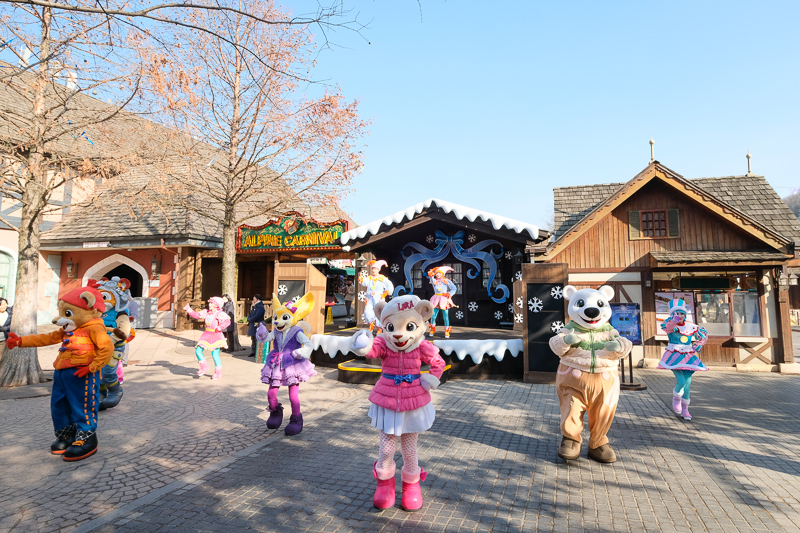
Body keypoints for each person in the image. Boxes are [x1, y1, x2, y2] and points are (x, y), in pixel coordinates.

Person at [349, 295, 446, 511]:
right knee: (386, 448)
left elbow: (438, 362)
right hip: (388, 400)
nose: (399, 334)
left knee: (410, 450)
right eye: (391, 327)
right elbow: (372, 350)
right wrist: (362, 344)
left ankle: (412, 486)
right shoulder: (384, 343)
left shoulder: (422, 345)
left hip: (414, 400)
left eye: (409, 326)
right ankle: (384, 484)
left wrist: (430, 379)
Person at [261, 292, 317, 436]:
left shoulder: (297, 332)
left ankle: (296, 419)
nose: (277, 321)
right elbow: (267, 338)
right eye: (276, 318)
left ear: (292, 318)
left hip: (292, 364)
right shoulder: (277, 331)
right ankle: (275, 412)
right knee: (271, 393)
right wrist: (261, 334)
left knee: (293, 395)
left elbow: (308, 344)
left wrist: (300, 353)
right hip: (276, 364)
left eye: (283, 318)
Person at [657, 298, 708, 421]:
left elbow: (703, 335)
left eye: (681, 313)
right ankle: (676, 397)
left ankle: (685, 410)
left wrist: (698, 345)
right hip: (674, 356)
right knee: (681, 381)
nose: (679, 316)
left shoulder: (690, 326)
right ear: (672, 314)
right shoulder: (670, 324)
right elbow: (668, 328)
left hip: (688, 356)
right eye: (676, 313)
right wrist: (673, 321)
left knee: (688, 384)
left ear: (685, 314)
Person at [183, 297, 230, 380]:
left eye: (212, 303)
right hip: (206, 334)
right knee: (198, 350)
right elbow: (197, 315)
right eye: (210, 303)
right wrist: (189, 310)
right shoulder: (206, 313)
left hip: (216, 335)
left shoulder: (220, 314)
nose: (210, 304)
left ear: (217, 305)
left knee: (215, 355)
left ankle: (218, 373)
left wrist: (220, 327)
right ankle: (204, 366)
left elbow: (227, 321)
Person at [359, 260, 393, 333]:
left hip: (379, 299)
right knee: (367, 311)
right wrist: (361, 280)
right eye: (372, 269)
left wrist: (386, 293)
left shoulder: (382, 278)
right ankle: (371, 323)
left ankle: (380, 328)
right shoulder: (369, 278)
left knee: (379, 312)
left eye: (375, 269)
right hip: (369, 298)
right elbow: (364, 282)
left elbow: (389, 286)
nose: (373, 270)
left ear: (378, 270)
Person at [427, 266, 458, 338]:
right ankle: (432, 328)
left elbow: (454, 288)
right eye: (436, 273)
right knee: (433, 316)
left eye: (439, 273)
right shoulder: (435, 281)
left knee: (446, 316)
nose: (438, 274)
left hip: (444, 299)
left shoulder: (446, 281)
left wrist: (449, 294)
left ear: (442, 274)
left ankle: (447, 330)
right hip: (436, 299)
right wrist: (431, 276)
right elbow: (432, 280)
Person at [0, 297, 12, 363]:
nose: (4, 306)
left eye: (5, 304)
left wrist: (5, 328)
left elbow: (13, 324)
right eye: (1, 304)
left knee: (1, 357)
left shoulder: (10, 312)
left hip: (3, 339)